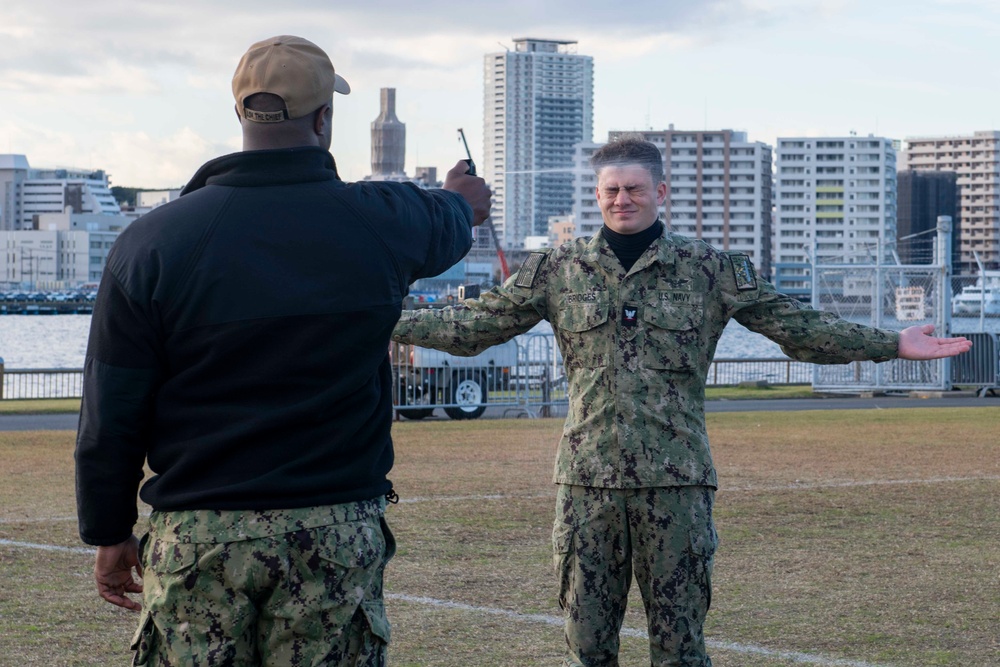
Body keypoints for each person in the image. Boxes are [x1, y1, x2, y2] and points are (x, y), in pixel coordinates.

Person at [391, 135, 972, 666]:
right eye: (612, 190)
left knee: (680, 648)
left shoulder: (709, 269)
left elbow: (797, 326)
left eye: (635, 188)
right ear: (597, 195)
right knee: (587, 646)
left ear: (661, 192)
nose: (622, 199)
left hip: (676, 485)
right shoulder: (557, 270)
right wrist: (381, 316)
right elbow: (474, 325)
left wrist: (892, 341)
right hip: (588, 484)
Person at [75, 35, 491, 666]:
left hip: (198, 533)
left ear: (240, 113)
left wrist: (107, 531)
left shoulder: (152, 241)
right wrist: (462, 199)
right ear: (324, 119)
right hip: (334, 529)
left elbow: (111, 407)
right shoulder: (382, 221)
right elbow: (451, 216)